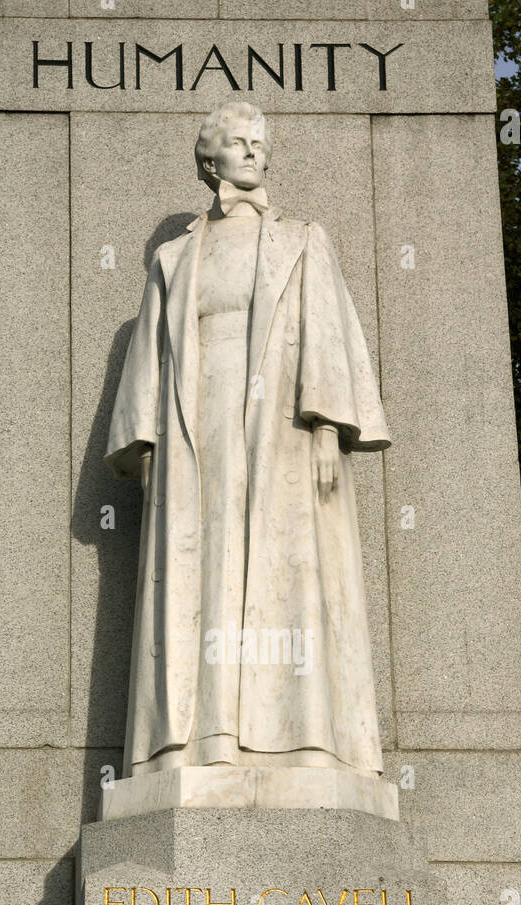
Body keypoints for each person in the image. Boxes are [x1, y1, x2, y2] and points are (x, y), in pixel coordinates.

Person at [105, 101, 391, 780]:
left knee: (285, 574)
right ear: (211, 160)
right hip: (197, 423)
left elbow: (325, 332)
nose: (254, 152)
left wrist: (326, 427)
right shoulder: (175, 258)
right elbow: (152, 355)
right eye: (238, 143)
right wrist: (145, 448)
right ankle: (206, 739)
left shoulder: (302, 239)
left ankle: (303, 737)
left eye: (261, 142)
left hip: (282, 425)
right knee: (203, 575)